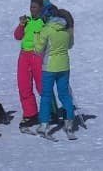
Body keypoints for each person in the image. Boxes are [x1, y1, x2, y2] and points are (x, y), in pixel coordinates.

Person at [31, 9, 76, 137]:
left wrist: (36, 36)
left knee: (46, 95)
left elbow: (38, 50)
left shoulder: (47, 29)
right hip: (64, 67)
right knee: (65, 95)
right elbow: (70, 45)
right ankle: (69, 122)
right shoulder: (66, 30)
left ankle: (44, 124)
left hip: (49, 67)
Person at [13, 0, 47, 131]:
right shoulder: (26, 21)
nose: (31, 9)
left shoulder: (44, 21)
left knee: (42, 86)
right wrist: (21, 24)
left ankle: (49, 112)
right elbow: (17, 36)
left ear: (40, 8)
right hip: (24, 56)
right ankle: (30, 114)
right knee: (24, 85)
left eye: (34, 7)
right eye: (31, 6)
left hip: (37, 55)